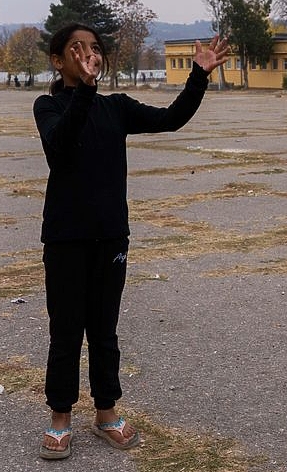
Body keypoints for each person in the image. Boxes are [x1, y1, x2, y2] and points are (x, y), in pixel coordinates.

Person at [33, 23, 228, 460]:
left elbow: (170, 119)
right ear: (58, 60)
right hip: (65, 238)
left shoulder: (116, 107)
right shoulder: (47, 106)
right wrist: (84, 90)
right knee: (65, 332)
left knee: (104, 330)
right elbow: (59, 146)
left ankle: (106, 414)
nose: (87, 54)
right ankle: (60, 418)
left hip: (110, 238)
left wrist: (199, 74)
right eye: (76, 49)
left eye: (94, 48)